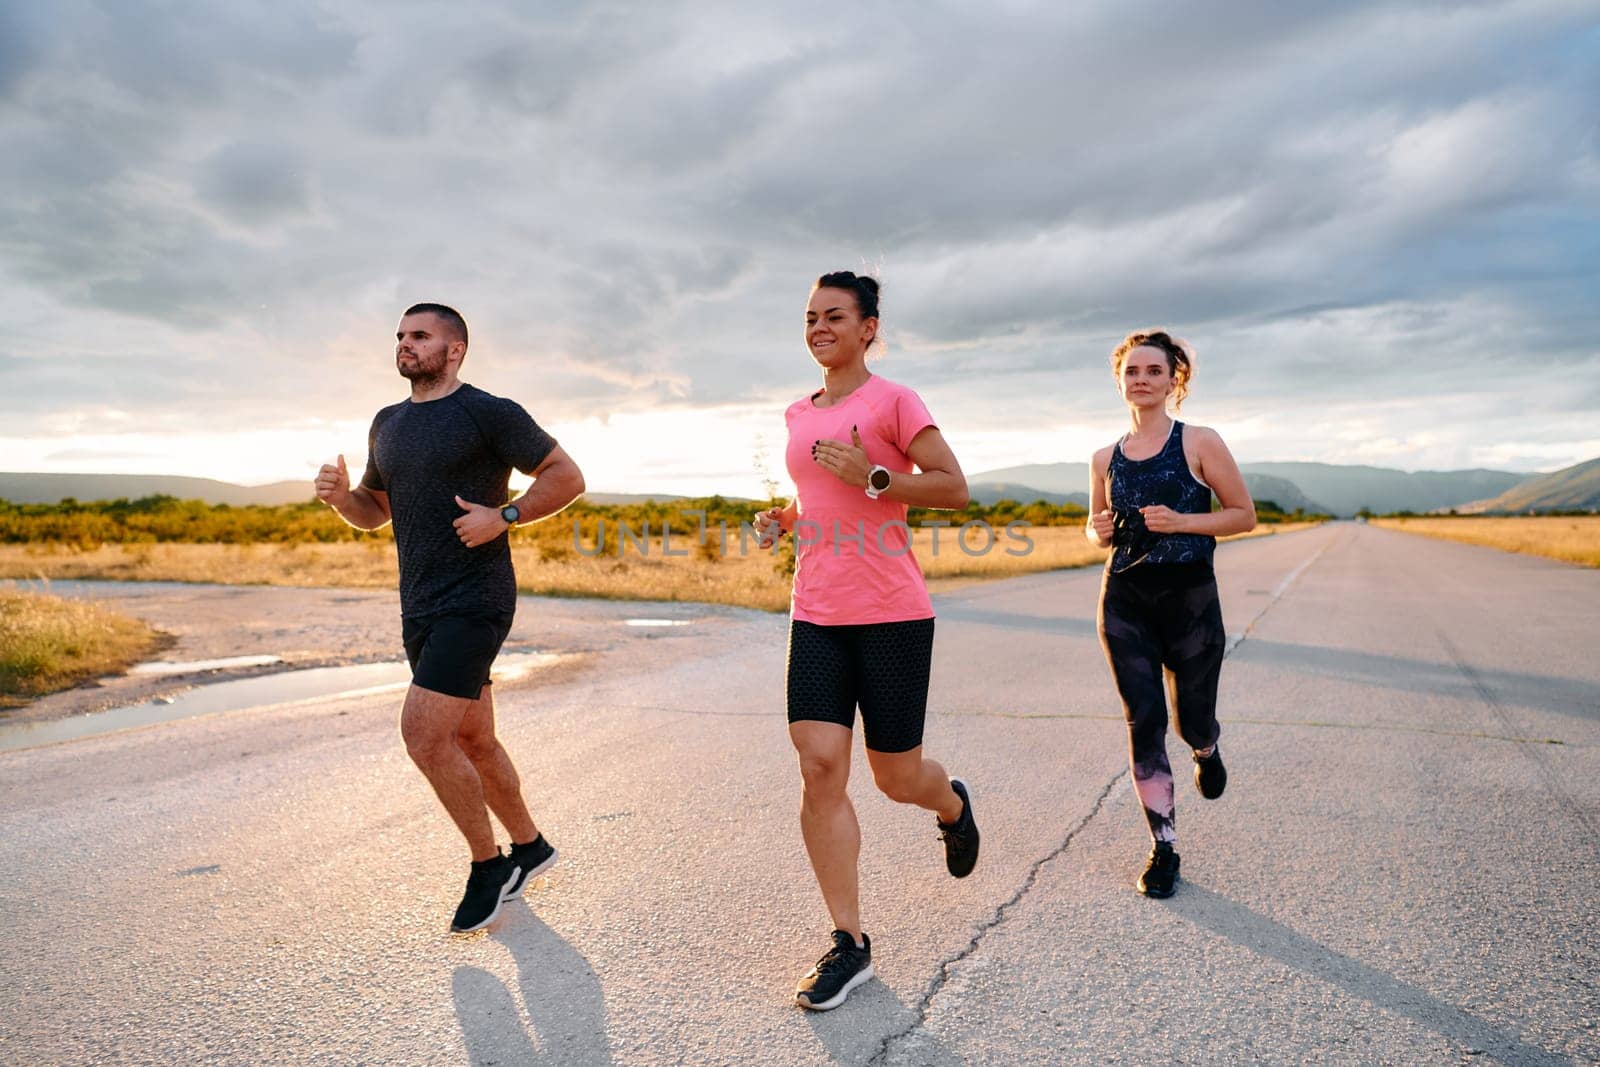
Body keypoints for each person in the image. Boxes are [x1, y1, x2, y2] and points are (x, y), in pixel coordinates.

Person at [315, 302, 585, 933]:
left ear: (455, 349)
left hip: (477, 597)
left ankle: (487, 864)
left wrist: (505, 516)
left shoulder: (488, 411)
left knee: (424, 735)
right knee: (472, 739)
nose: (406, 346)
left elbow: (567, 476)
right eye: (401, 337)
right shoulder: (387, 422)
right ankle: (531, 847)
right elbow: (373, 511)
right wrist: (339, 499)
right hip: (422, 603)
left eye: (420, 336)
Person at [753, 271, 979, 1012]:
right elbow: (817, 492)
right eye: (811, 317)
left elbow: (951, 485)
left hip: (891, 614)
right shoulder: (796, 412)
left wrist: (879, 475)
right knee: (820, 766)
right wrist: (785, 521)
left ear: (869, 327)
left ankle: (949, 805)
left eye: (834, 316)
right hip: (815, 611)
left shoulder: (894, 401)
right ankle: (848, 941)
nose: (819, 326)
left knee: (896, 777)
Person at [1086, 329, 1255, 898]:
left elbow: (1242, 515)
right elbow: (1094, 526)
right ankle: (1164, 848)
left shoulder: (1199, 441)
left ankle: (1206, 749)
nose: (1142, 380)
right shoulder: (1103, 457)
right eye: (1132, 372)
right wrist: (1097, 528)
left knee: (1191, 721)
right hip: (1125, 601)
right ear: (1120, 381)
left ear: (1173, 379)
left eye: (1153, 371)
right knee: (1145, 722)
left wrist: (1182, 522)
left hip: (1190, 600)